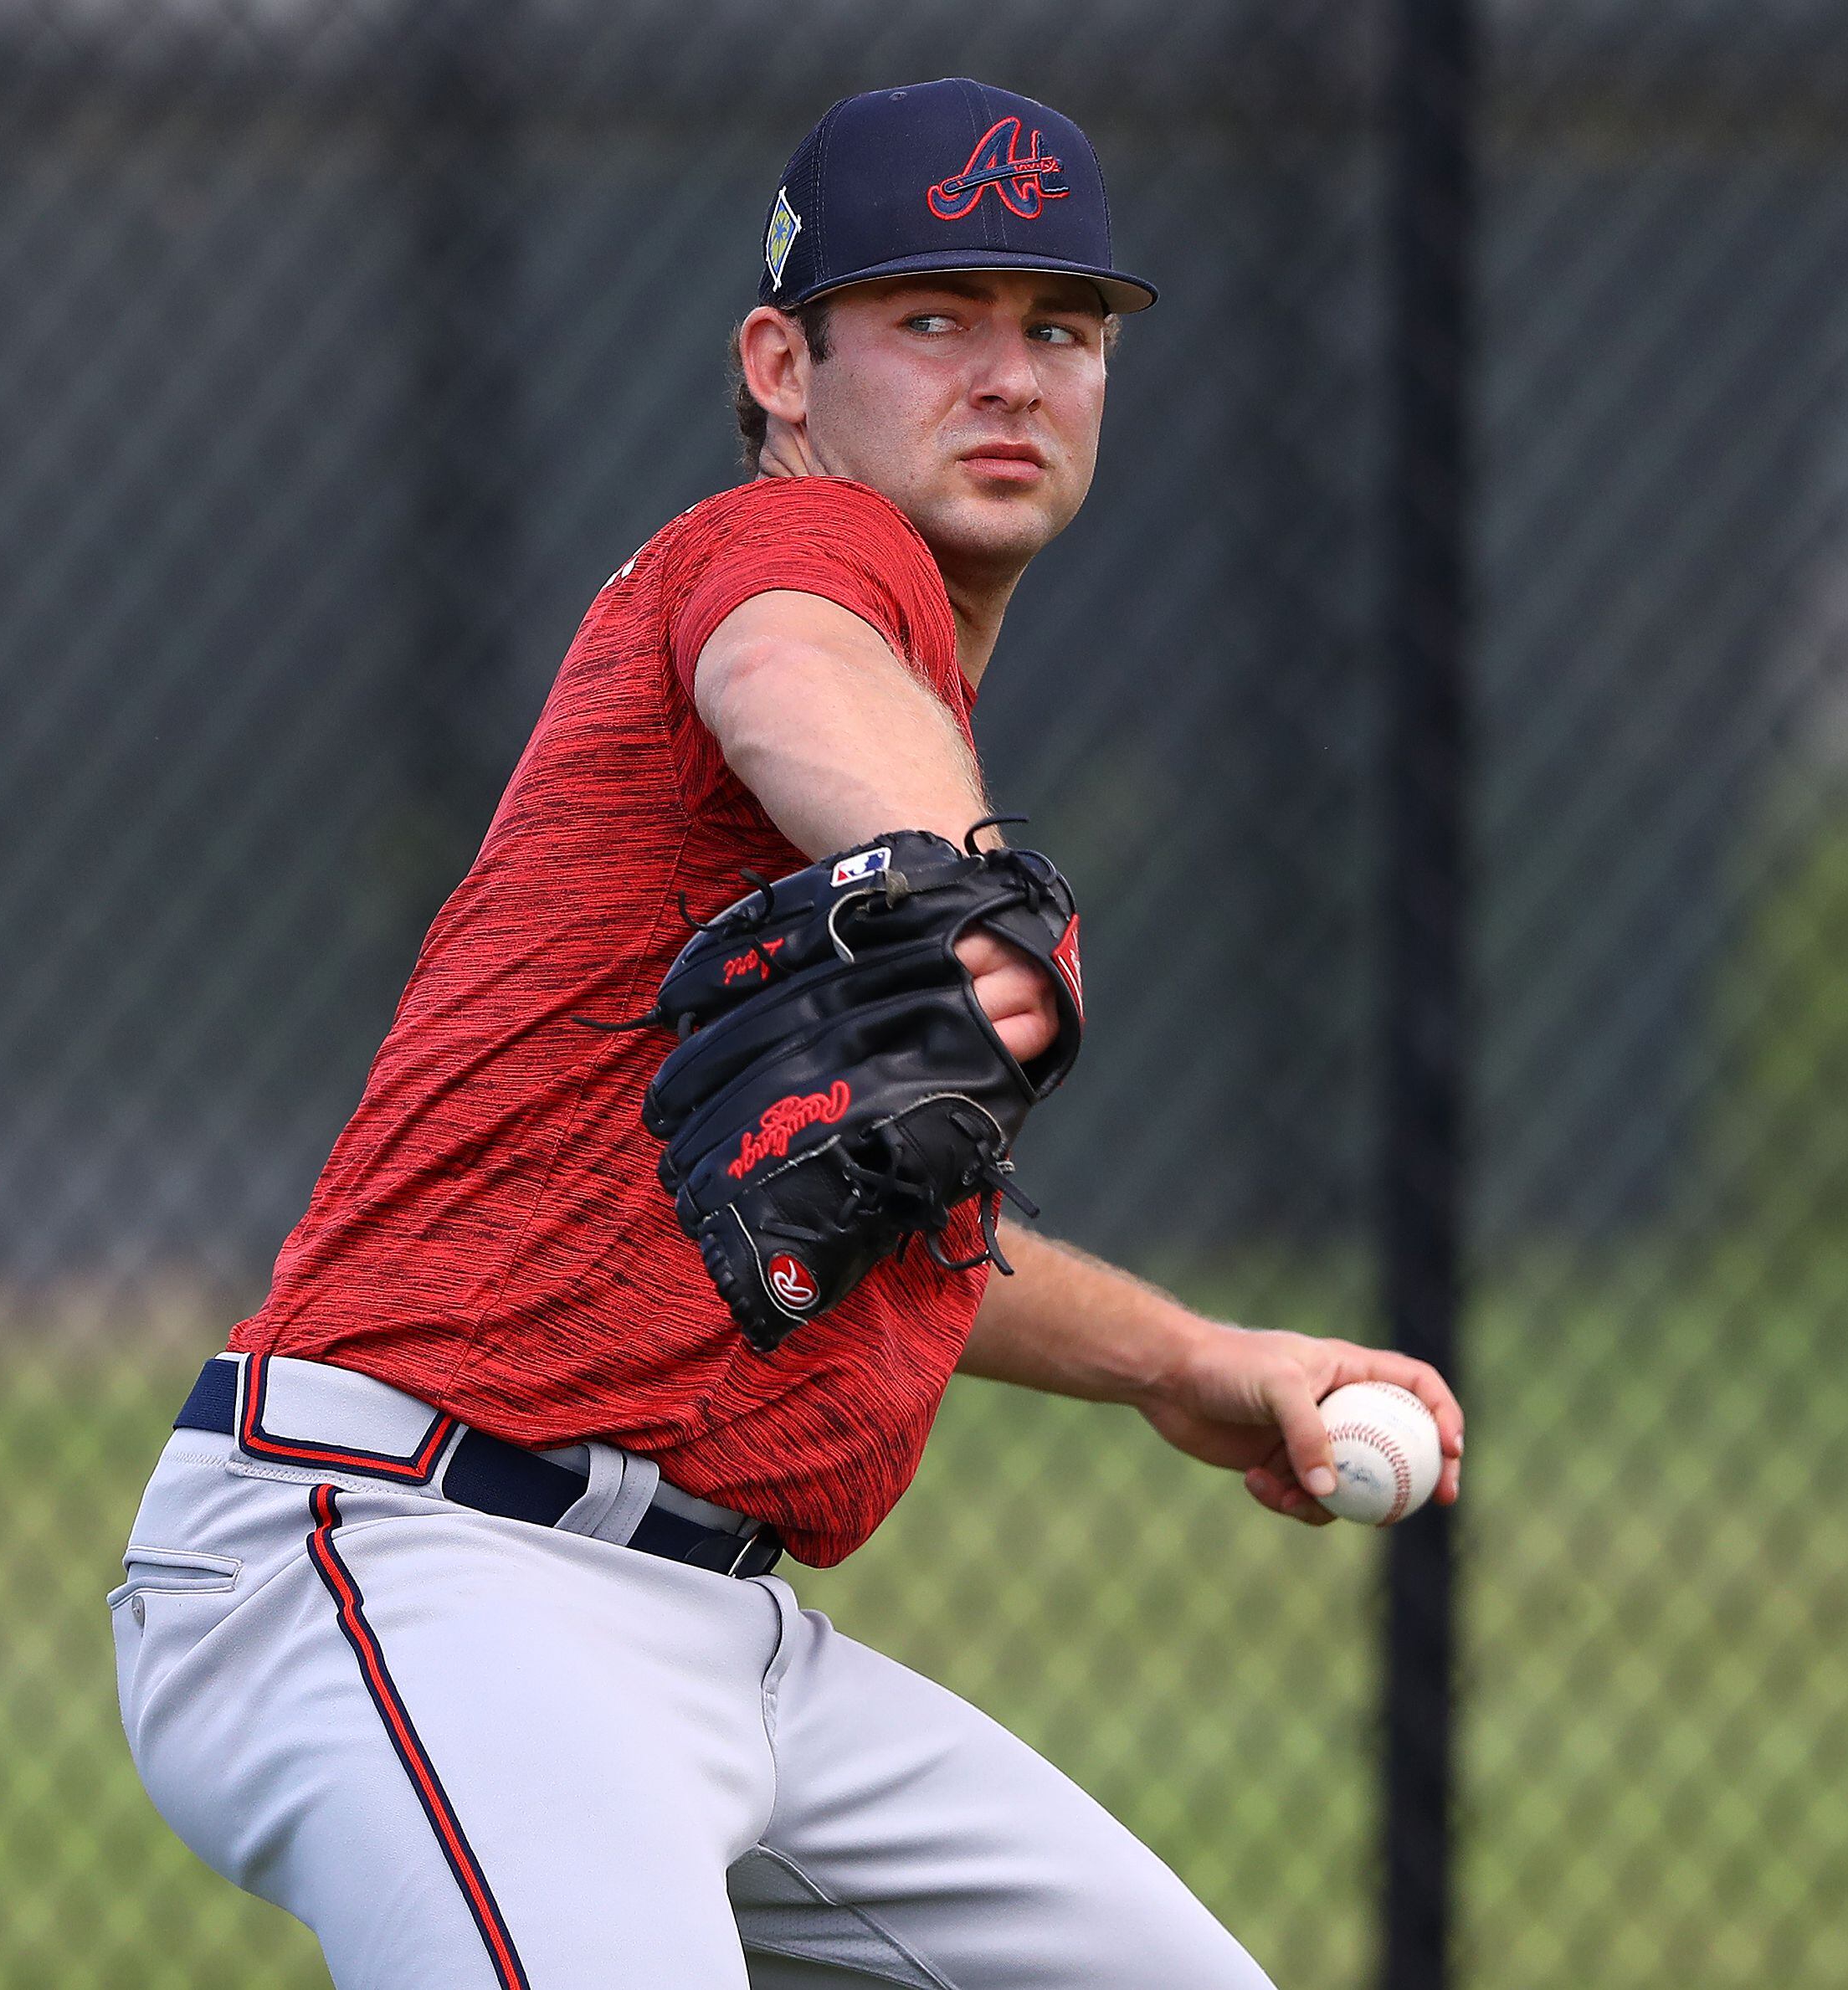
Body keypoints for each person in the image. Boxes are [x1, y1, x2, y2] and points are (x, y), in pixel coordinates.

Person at [109, 77, 1464, 1990]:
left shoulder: (889, 748)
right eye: (933, 319)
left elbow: (829, 1198)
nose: (1010, 374)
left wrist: (1188, 1358)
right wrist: (951, 870)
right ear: (780, 364)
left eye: (1058, 328)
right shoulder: (795, 558)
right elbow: (787, 665)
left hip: (723, 1635)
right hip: (416, 1553)